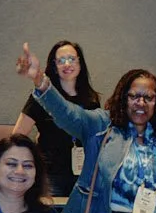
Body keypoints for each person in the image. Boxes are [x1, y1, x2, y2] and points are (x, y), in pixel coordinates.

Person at [16, 44, 156, 213]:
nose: (141, 103)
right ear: (123, 98)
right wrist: (39, 79)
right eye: (134, 96)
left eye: (149, 97)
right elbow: (68, 113)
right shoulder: (102, 125)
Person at [13, 40, 99, 200]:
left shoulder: (91, 100)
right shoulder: (42, 97)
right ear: (54, 66)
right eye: (61, 60)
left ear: (80, 63)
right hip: (50, 175)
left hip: (82, 175)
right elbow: (17, 136)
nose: (67, 64)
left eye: (72, 59)